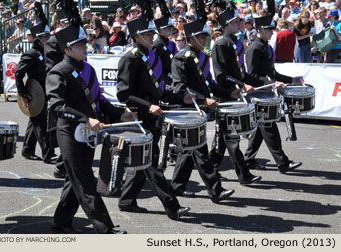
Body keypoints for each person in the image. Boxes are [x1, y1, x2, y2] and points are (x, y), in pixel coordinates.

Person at [46, 24, 132, 234]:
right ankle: (105, 228)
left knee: (74, 179)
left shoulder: (88, 69)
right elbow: (56, 106)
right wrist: (85, 119)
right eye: (79, 45)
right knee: (85, 181)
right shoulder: (58, 72)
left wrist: (120, 114)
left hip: (88, 134)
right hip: (69, 132)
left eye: (85, 43)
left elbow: (99, 101)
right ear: (67, 49)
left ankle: (61, 222)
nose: (85, 48)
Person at [116, 16, 191, 220]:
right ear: (137, 37)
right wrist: (148, 106)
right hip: (138, 117)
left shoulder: (148, 56)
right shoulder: (129, 58)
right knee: (151, 163)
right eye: (148, 34)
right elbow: (123, 94)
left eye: (151, 33)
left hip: (151, 116)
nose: (152, 37)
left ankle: (127, 200)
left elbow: (158, 90)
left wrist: (181, 98)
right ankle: (172, 207)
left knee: (144, 162)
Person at [170, 18, 236, 200]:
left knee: (188, 150)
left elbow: (209, 83)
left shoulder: (201, 57)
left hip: (199, 111)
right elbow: (180, 87)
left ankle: (177, 185)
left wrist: (228, 94)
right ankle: (216, 190)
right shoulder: (180, 58)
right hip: (189, 110)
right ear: (191, 39)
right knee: (201, 151)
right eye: (201, 37)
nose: (205, 40)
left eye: (205, 37)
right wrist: (203, 99)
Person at [243, 10, 303, 174]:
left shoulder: (267, 47)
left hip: (266, 93)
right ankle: (282, 163)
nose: (271, 32)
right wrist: (271, 83)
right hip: (257, 94)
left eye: (272, 29)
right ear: (260, 30)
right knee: (268, 126)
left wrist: (292, 80)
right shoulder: (254, 48)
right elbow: (251, 76)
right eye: (268, 30)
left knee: (262, 128)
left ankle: (248, 159)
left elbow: (273, 73)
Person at [209, 6, 263, 185]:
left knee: (223, 139)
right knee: (230, 138)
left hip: (234, 94)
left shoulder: (234, 43)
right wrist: (240, 85)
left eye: (238, 21)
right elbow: (221, 75)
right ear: (226, 25)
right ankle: (243, 175)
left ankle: (211, 169)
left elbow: (241, 72)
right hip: (226, 96)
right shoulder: (221, 44)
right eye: (234, 22)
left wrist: (263, 83)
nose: (238, 24)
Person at [15, 20, 57, 164]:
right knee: (41, 124)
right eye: (45, 37)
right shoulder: (31, 54)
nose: (48, 39)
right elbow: (18, 73)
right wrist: (23, 94)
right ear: (38, 39)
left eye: (48, 36)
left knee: (35, 121)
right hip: (34, 93)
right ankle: (48, 154)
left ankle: (27, 149)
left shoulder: (46, 52)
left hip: (44, 92)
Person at [44, 7, 70, 179]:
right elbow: (52, 69)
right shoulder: (53, 42)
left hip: (76, 87)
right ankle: (62, 166)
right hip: (62, 88)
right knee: (64, 128)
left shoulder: (74, 39)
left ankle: (64, 164)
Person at [153, 16, 178, 87]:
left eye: (171, 27)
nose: (171, 29)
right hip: (163, 81)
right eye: (167, 28)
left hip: (174, 77)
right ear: (159, 30)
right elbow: (155, 68)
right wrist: (169, 82)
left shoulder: (171, 43)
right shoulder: (157, 45)